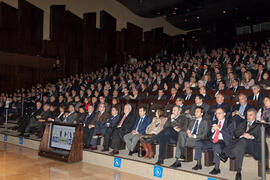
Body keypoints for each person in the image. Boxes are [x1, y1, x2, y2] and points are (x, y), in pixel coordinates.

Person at [217, 109, 261, 180]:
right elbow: (236, 132)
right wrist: (242, 134)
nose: (248, 117)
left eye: (251, 115)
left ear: (255, 116)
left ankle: (226, 154)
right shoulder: (244, 122)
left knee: (241, 141)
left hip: (251, 145)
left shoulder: (258, 124)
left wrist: (251, 136)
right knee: (240, 146)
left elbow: (260, 137)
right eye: (247, 115)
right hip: (241, 145)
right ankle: (238, 172)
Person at [193, 107, 234, 175]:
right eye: (216, 113)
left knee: (217, 145)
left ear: (224, 114)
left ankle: (216, 168)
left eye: (219, 113)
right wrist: (212, 130)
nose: (217, 115)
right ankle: (198, 164)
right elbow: (208, 134)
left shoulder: (230, 123)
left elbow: (229, 136)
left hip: (222, 141)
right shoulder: (214, 122)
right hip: (211, 140)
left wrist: (220, 129)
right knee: (198, 142)